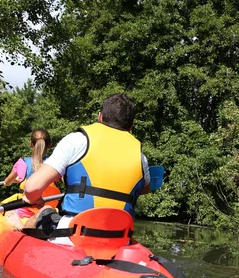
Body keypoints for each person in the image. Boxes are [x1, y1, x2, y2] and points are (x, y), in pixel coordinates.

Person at [21, 93, 151, 242]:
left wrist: (35, 199)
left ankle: (18, 230)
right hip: (119, 238)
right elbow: (144, 189)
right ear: (131, 127)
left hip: (73, 235)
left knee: (45, 211)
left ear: (100, 117)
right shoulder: (141, 157)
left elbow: (31, 188)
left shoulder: (76, 141)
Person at [3, 128, 57, 223]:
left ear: (31, 144)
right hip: (49, 209)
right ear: (49, 145)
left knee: (9, 213)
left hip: (27, 209)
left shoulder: (22, 163)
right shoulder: (56, 163)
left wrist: (8, 181)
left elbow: (7, 183)